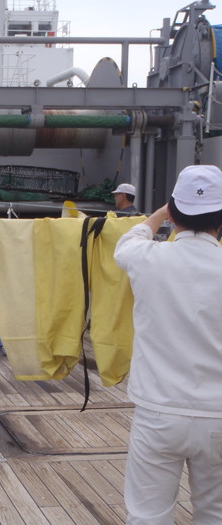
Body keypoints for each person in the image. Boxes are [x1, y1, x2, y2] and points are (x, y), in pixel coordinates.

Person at [114, 165, 222, 524]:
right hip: (219, 413)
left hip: (158, 412)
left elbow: (127, 241)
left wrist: (162, 212)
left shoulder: (148, 258)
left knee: (148, 516)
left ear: (174, 214)